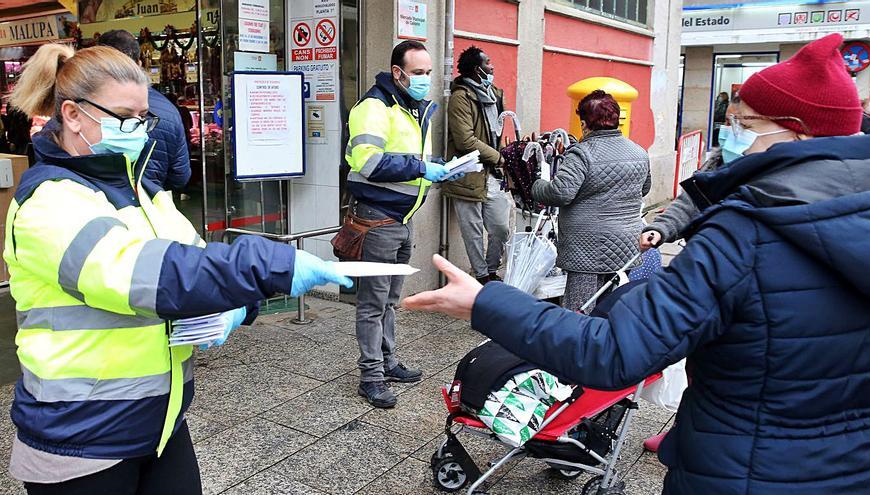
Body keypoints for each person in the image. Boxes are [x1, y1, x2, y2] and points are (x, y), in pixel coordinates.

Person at [403, 34, 870, 494]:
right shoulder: (637, 153)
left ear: (794, 129)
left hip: (742, 468)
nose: (735, 135)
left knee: (581, 316)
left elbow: (613, 350)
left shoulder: (745, 235)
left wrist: (488, 302)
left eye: (747, 124)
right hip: (854, 468)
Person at [5, 43, 351, 494]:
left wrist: (238, 308)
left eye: (143, 118)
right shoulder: (49, 201)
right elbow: (149, 275)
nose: (139, 131)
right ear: (72, 114)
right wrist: (275, 264)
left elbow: (197, 264)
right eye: (124, 117)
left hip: (159, 424)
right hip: (81, 439)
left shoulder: (144, 194)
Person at [344, 40, 462, 408]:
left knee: (391, 299)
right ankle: (371, 376)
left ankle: (389, 361)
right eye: (418, 73)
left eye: (429, 73)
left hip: (401, 219)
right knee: (372, 303)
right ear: (397, 73)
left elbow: (409, 159)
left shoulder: (411, 108)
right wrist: (423, 168)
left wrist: (436, 167)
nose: (425, 79)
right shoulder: (373, 108)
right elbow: (368, 162)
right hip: (377, 221)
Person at [531, 90, 651, 312]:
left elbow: (560, 193)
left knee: (578, 309)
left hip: (587, 248)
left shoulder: (582, 154)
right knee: (609, 306)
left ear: (585, 124)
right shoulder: (639, 152)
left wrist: (537, 185)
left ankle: (572, 346)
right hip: (625, 243)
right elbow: (644, 188)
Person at [442, 46, 510, 285]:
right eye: (488, 62)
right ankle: (482, 277)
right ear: (477, 69)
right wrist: (499, 157)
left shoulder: (493, 94)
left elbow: (496, 131)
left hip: (491, 173)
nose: (492, 67)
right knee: (472, 233)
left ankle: (492, 269)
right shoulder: (461, 98)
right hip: (468, 174)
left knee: (500, 227)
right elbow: (465, 140)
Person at [640, 92, 741, 251]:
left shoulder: (779, 181)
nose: (727, 129)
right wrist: (660, 228)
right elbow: (690, 204)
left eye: (740, 123)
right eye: (728, 122)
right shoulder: (716, 164)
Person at [98, 30, 192, 193]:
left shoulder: (84, 108)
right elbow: (180, 177)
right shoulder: (169, 111)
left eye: (142, 115)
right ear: (140, 64)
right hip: (149, 201)